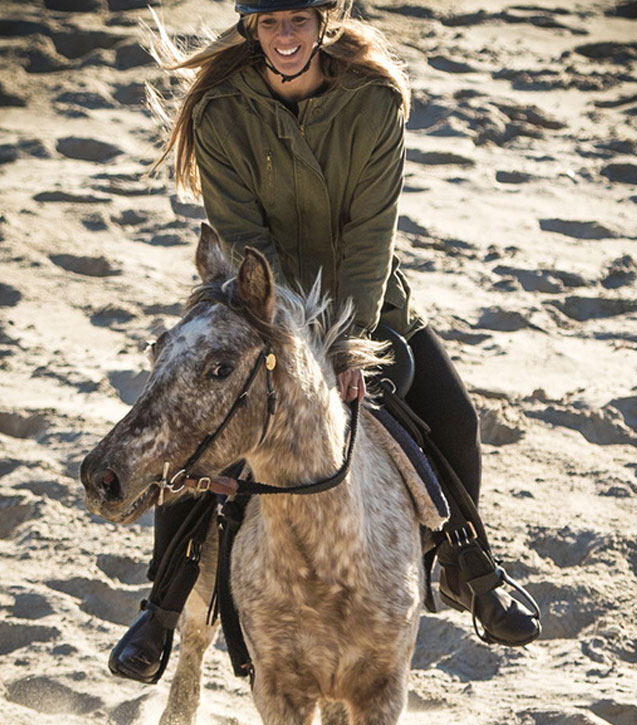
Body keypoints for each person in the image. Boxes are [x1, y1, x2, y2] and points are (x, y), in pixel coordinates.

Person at [109, 0, 540, 685]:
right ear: (253, 28)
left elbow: (371, 236)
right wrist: (297, 342)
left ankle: (469, 567)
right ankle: (162, 610)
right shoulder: (222, 111)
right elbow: (248, 241)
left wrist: (354, 344)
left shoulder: (373, 102)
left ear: (324, 23)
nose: (286, 38)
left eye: (299, 22)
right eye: (271, 23)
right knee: (198, 425)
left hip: (366, 304)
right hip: (261, 308)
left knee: (455, 418)